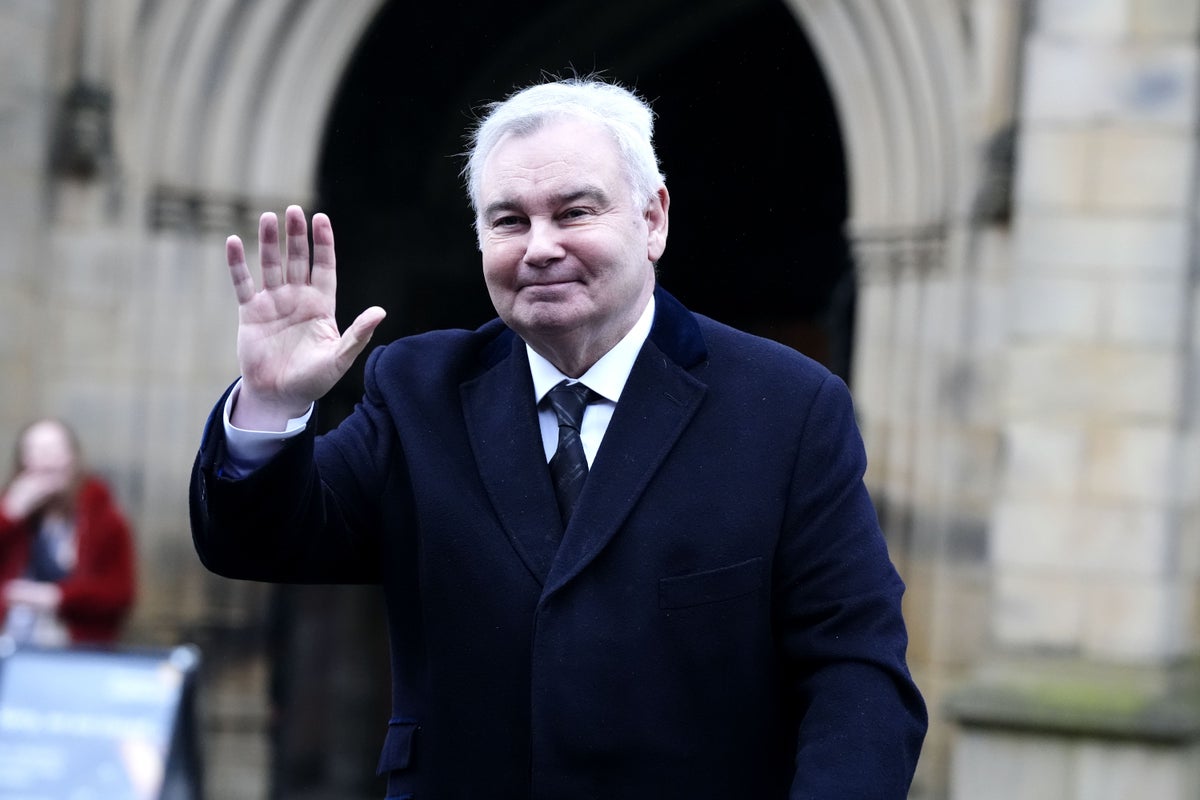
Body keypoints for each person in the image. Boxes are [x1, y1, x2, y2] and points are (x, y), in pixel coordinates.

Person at [190, 75, 927, 797]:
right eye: (509, 221)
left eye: (574, 212)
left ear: (653, 220)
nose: (539, 247)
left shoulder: (787, 408)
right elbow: (260, 542)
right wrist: (272, 402)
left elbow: (856, 671)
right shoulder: (419, 390)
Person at [0, 418, 137, 646]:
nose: (46, 459)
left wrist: (55, 597)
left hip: (78, 649)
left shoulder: (104, 518)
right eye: (36, 451)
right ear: (22, 462)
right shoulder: (12, 514)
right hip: (11, 646)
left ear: (73, 458)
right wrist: (9, 513)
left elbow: (120, 593)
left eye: (54, 450)